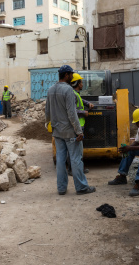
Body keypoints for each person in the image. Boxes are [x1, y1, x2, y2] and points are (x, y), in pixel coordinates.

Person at [45, 65, 96, 196]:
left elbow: (47, 112)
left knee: (61, 160)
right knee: (76, 159)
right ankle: (82, 187)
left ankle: (61, 188)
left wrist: (49, 126)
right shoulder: (68, 90)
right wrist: (79, 131)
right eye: (72, 74)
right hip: (70, 131)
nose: (73, 77)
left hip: (57, 131)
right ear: (66, 75)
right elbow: (72, 113)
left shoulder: (50, 90)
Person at [66, 73, 93, 175]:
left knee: (78, 148)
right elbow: (71, 111)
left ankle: (77, 168)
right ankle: (73, 170)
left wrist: (88, 104)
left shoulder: (75, 93)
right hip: (76, 125)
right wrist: (83, 112)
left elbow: (81, 100)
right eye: (81, 82)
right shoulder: (72, 94)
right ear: (77, 83)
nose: (82, 84)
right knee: (75, 149)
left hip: (79, 124)